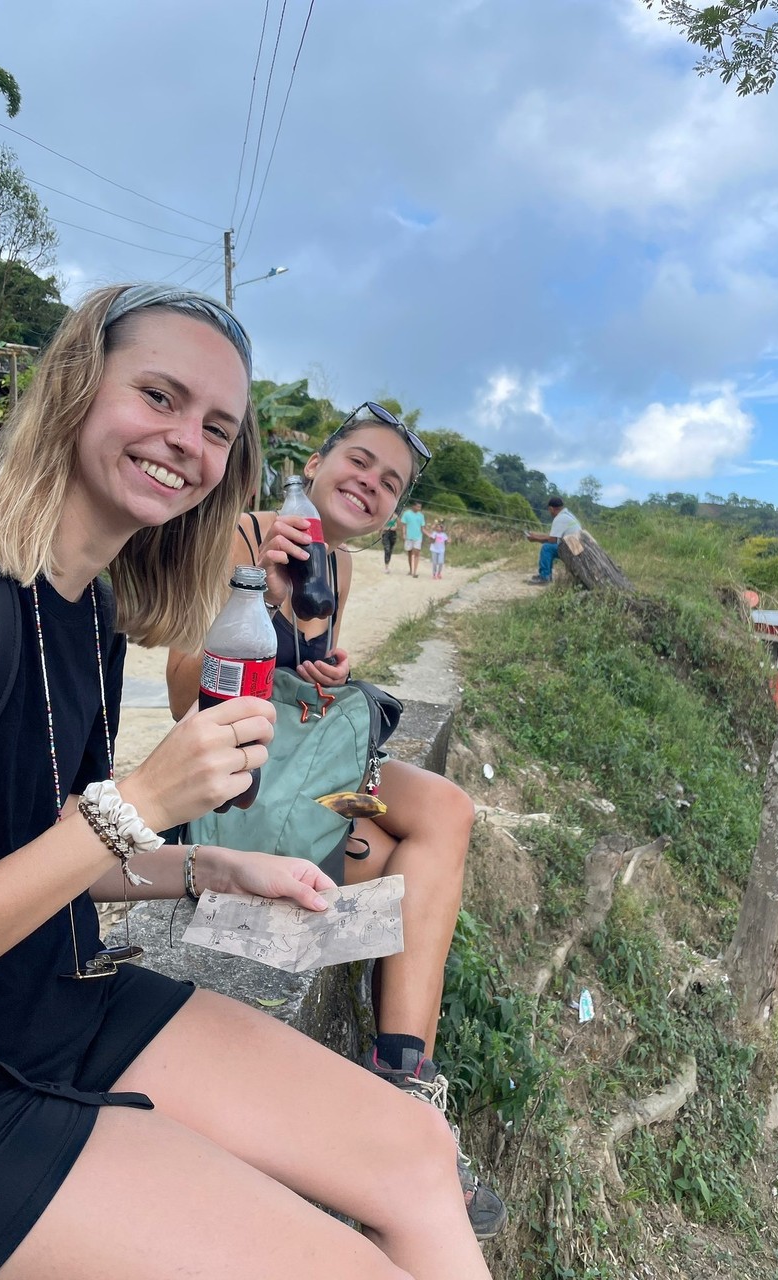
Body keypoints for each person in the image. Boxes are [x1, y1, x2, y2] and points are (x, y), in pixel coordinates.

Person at [0, 287, 494, 1280]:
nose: (186, 440)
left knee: (419, 1150)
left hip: (53, 999)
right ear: (79, 385)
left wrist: (209, 867)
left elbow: (40, 840)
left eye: (216, 426)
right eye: (159, 395)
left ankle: (406, 1069)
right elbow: (100, 815)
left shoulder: (88, 604)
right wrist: (138, 802)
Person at [166, 402, 506, 1242]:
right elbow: (183, 699)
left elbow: (306, 704)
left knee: (446, 812)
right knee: (396, 850)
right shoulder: (244, 535)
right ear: (316, 462)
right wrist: (257, 599)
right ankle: (400, 1094)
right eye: (359, 461)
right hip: (230, 793)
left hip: (303, 779)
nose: (371, 484)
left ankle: (402, 1076)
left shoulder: (341, 568)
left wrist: (323, 673)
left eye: (390, 481)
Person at [525, 494, 582, 583]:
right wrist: (536, 535)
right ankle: (546, 575)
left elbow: (552, 540)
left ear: (551, 508)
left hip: (572, 549)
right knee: (549, 546)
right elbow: (553, 536)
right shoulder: (567, 515)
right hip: (576, 547)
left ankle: (544, 577)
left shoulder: (559, 518)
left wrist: (535, 539)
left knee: (547, 548)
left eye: (549, 510)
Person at [400, 499, 426, 577]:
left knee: (417, 553)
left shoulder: (421, 516)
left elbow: (422, 528)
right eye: (418, 507)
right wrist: (404, 534)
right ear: (413, 506)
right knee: (410, 553)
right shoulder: (406, 514)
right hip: (409, 536)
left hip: (418, 537)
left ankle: (415, 572)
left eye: (420, 507)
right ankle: (411, 570)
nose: (419, 508)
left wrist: (429, 534)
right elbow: (404, 525)